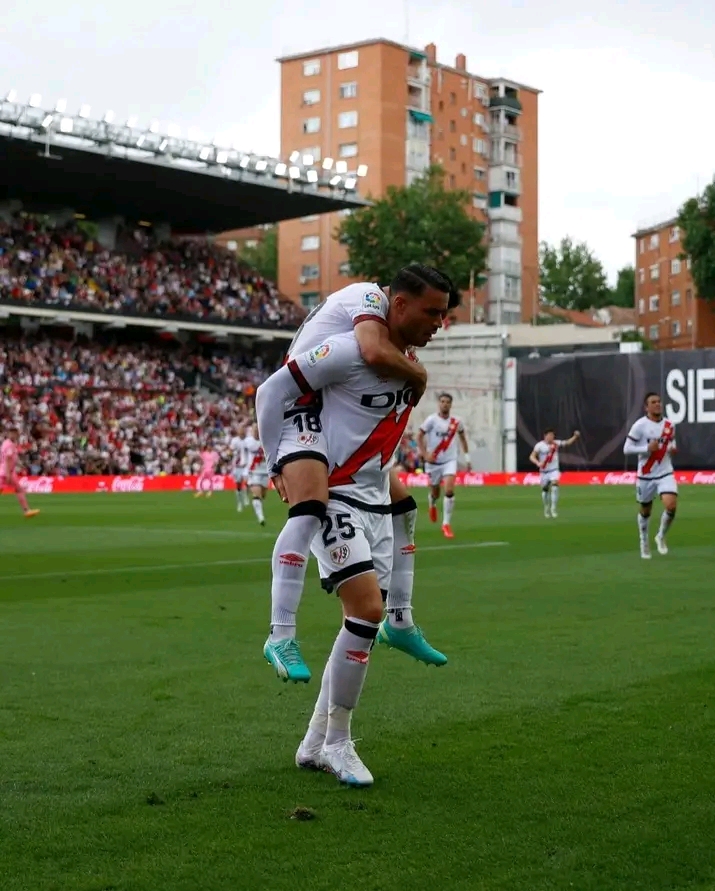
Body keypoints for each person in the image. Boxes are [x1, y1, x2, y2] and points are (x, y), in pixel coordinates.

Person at [261, 285, 449, 785]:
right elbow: (274, 389)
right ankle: (339, 742)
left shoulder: (402, 361)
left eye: (444, 315)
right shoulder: (348, 350)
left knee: (360, 621)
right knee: (365, 610)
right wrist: (277, 464)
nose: (439, 323)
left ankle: (313, 742)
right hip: (337, 494)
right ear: (399, 304)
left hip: (373, 495)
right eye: (431, 312)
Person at [623, 392, 677, 559]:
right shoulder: (640, 426)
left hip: (665, 472)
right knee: (645, 511)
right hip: (646, 475)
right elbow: (626, 449)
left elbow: (671, 442)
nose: (657, 404)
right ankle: (644, 539)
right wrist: (646, 449)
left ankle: (660, 536)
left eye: (659, 402)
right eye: (653, 402)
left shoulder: (669, 424)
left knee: (671, 506)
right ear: (646, 407)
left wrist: (672, 449)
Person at [417, 392, 471, 538]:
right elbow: (419, 435)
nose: (444, 404)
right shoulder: (431, 420)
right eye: (442, 401)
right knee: (435, 492)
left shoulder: (456, 421)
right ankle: (432, 504)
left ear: (451, 404)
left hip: (450, 460)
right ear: (439, 403)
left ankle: (446, 524)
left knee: (449, 490)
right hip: (433, 461)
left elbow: (463, 438)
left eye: (447, 402)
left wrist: (467, 458)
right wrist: (424, 453)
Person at [529, 428, 581, 518]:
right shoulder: (539, 445)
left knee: (555, 485)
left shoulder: (556, 443)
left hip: (554, 470)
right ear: (545, 436)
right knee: (545, 489)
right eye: (549, 435)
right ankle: (546, 507)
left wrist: (575, 437)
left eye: (552, 435)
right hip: (544, 471)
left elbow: (567, 443)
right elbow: (532, 456)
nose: (551, 437)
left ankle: (553, 508)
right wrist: (538, 463)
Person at [0, 429, 40, 519]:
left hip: (8, 470)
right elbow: (7, 460)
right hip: (6, 471)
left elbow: (12, 458)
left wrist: (20, 465)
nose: (16, 436)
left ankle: (27, 510)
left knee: (19, 489)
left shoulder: (7, 443)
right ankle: (26, 510)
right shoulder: (9, 445)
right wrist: (8, 474)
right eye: (14, 434)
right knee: (19, 490)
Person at [243, 423, 268, 526]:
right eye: (254, 430)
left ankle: (249, 494)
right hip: (254, 471)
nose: (256, 431)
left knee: (263, 495)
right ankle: (261, 518)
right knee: (257, 494)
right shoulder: (249, 442)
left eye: (258, 429)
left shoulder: (266, 440)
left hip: (265, 471)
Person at [229, 425, 250, 512]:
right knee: (238, 485)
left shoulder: (248, 440)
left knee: (246, 482)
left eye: (243, 431)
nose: (241, 433)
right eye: (240, 432)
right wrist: (232, 453)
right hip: (237, 466)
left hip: (246, 465)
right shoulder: (234, 441)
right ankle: (239, 503)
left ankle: (245, 496)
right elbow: (230, 451)